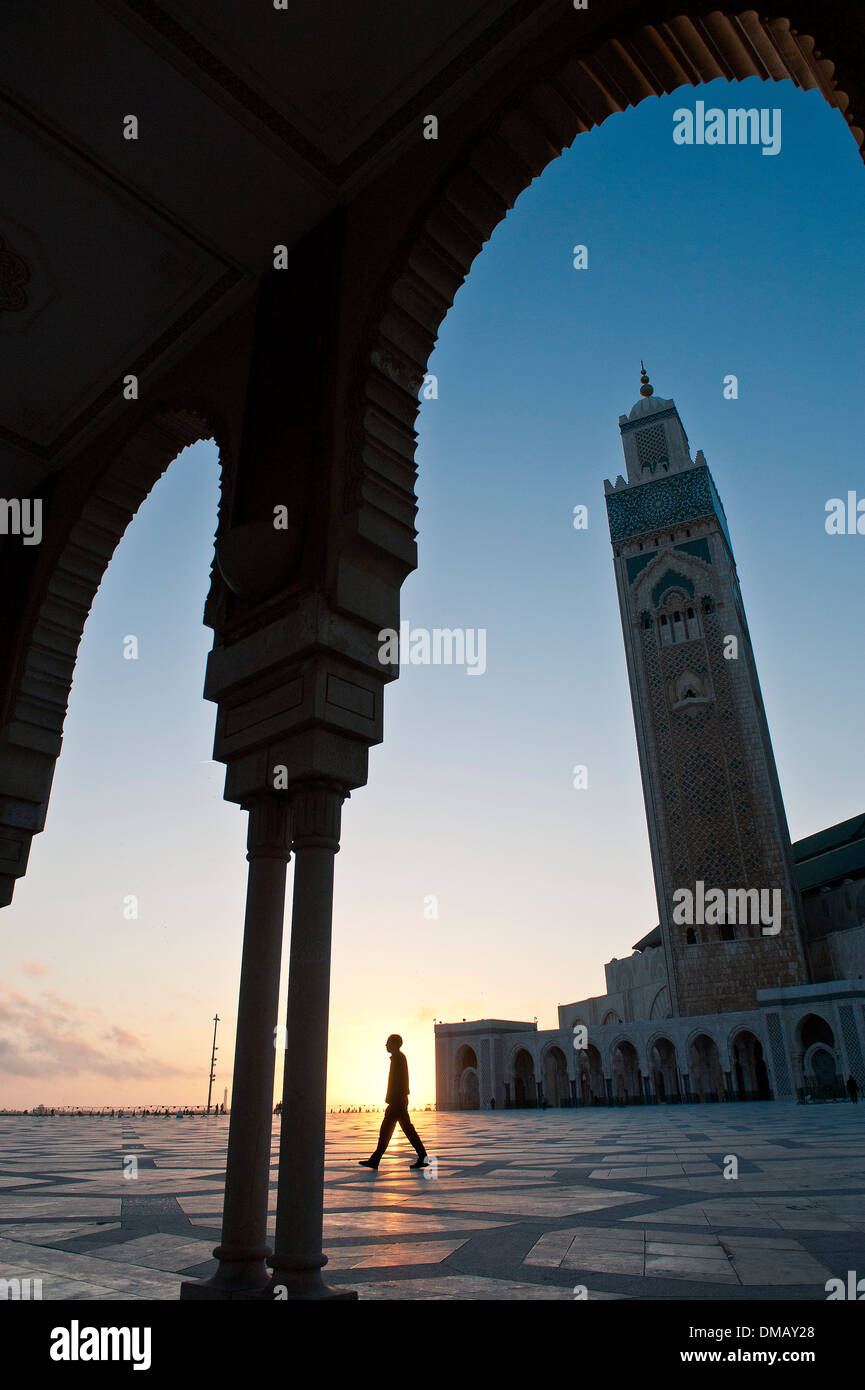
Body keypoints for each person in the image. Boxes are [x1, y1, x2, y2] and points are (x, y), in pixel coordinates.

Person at [359, 1034, 428, 1170]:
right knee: (402, 1130)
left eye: (388, 1043)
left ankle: (375, 1160)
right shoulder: (398, 1058)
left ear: (394, 1044)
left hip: (398, 1101)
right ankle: (376, 1159)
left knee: (390, 1130)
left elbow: (399, 1082)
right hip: (398, 1100)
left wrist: (395, 1099)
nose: (386, 1045)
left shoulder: (398, 1058)